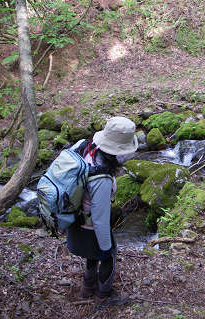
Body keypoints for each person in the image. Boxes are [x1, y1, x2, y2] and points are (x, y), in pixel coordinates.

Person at [66, 116, 138, 304]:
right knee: (107, 255)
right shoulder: (102, 178)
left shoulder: (84, 146)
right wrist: (106, 248)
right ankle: (103, 296)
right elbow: (100, 219)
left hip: (73, 218)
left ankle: (87, 287)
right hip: (89, 225)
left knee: (92, 253)